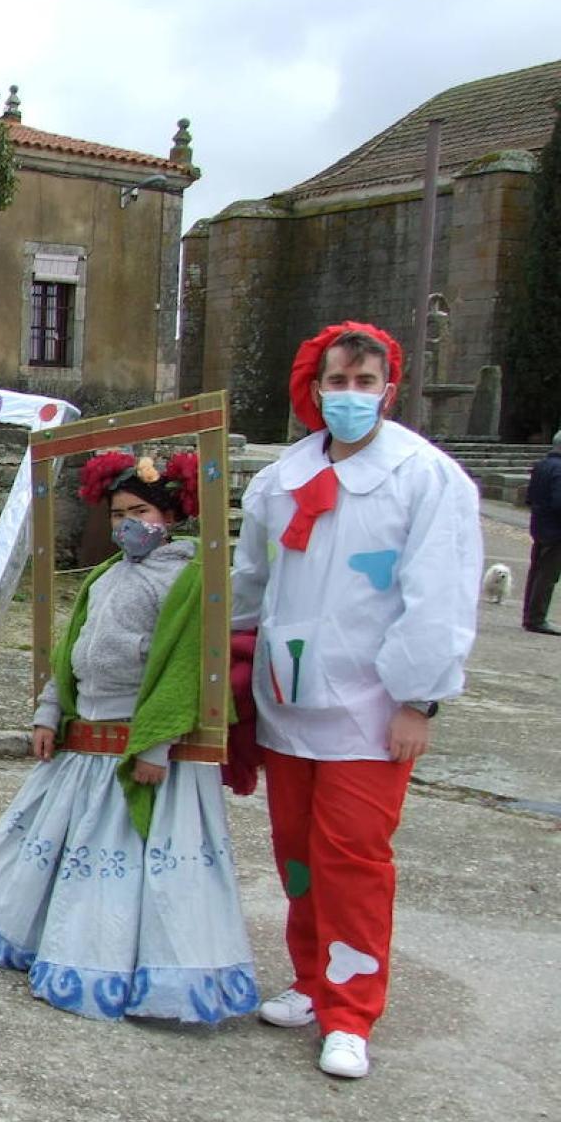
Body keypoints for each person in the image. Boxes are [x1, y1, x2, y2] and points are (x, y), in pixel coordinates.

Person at [0, 450, 260, 1023]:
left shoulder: (190, 580)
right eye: (115, 514)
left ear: (170, 515)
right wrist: (49, 710)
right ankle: (34, 938)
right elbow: (70, 650)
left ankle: (108, 962)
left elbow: (186, 665)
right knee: (62, 845)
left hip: (143, 742)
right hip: (87, 739)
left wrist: (156, 744)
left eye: (138, 512)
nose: (125, 524)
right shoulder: (106, 576)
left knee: (124, 859)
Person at [233, 321, 480, 1080]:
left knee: (353, 858)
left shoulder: (426, 478)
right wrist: (231, 664)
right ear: (314, 390)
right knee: (298, 855)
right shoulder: (281, 480)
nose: (349, 396)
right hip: (289, 702)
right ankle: (311, 977)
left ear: (388, 389)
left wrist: (419, 699)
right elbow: (250, 584)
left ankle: (351, 1009)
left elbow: (437, 595)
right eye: (336, 383)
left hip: (370, 712)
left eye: (363, 383)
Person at [524, 428, 561, 635]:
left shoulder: (542, 465)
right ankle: (537, 618)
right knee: (547, 575)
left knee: (536, 571)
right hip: (555, 530)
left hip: (538, 525)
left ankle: (529, 614)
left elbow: (529, 497)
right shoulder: (559, 469)